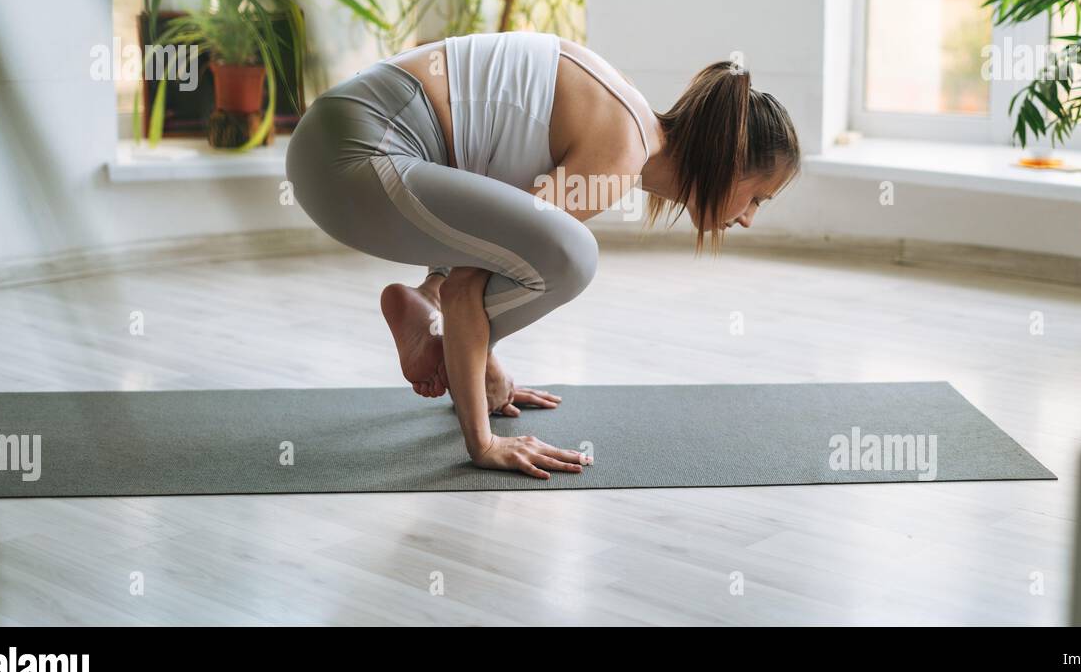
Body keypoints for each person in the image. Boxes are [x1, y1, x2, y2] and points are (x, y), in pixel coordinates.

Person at [285, 32, 800, 478]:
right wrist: (483, 442)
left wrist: (487, 368)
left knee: (533, 239)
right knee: (570, 254)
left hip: (341, 145)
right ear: (730, 161)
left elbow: (483, 233)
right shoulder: (620, 152)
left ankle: (429, 309)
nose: (749, 217)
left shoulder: (626, 124)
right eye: (756, 197)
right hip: (356, 157)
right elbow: (470, 285)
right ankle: (439, 333)